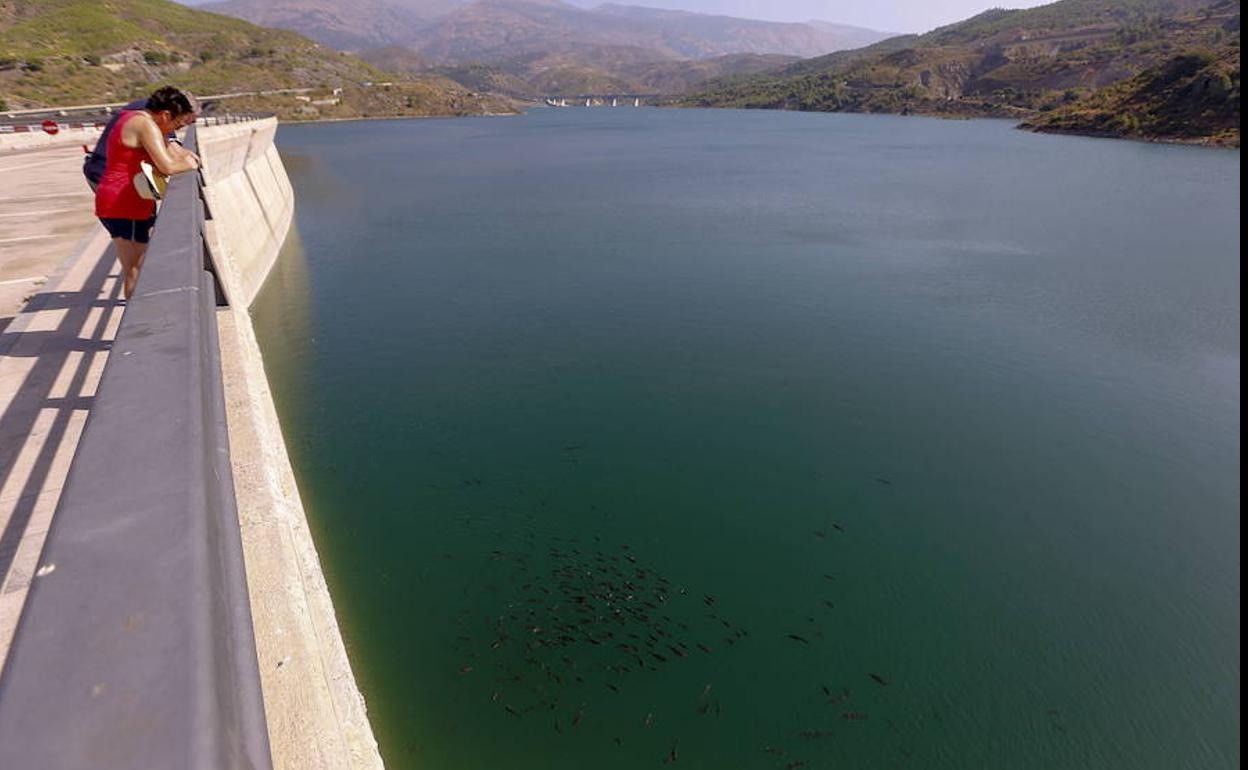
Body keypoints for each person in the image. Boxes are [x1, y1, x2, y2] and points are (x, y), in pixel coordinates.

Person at [94, 86, 201, 300]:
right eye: (177, 124)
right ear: (165, 115)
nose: (176, 130)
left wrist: (183, 157)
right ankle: (136, 330)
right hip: (124, 204)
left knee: (137, 269)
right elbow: (168, 166)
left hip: (124, 201)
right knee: (137, 271)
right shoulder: (146, 125)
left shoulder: (132, 117)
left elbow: (169, 153)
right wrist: (190, 163)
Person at [83, 91, 200, 191]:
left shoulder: (158, 112)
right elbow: (169, 164)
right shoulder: (149, 117)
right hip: (105, 176)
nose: (187, 124)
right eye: (184, 122)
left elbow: (173, 149)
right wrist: (190, 163)